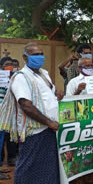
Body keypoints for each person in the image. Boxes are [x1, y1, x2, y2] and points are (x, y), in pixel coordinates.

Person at [0, 42, 63, 183]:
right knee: (29, 166)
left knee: (48, 166)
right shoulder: (21, 77)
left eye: (41, 54)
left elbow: (47, 97)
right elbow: (26, 105)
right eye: (35, 55)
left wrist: (57, 95)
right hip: (33, 131)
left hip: (49, 129)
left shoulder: (44, 74)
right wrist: (49, 122)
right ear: (25, 57)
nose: (40, 57)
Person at [0, 57, 17, 168]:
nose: (10, 66)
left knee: (9, 138)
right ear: (1, 67)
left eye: (11, 64)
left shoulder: (16, 78)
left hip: (10, 114)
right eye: (7, 64)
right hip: (1, 114)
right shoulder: (1, 78)